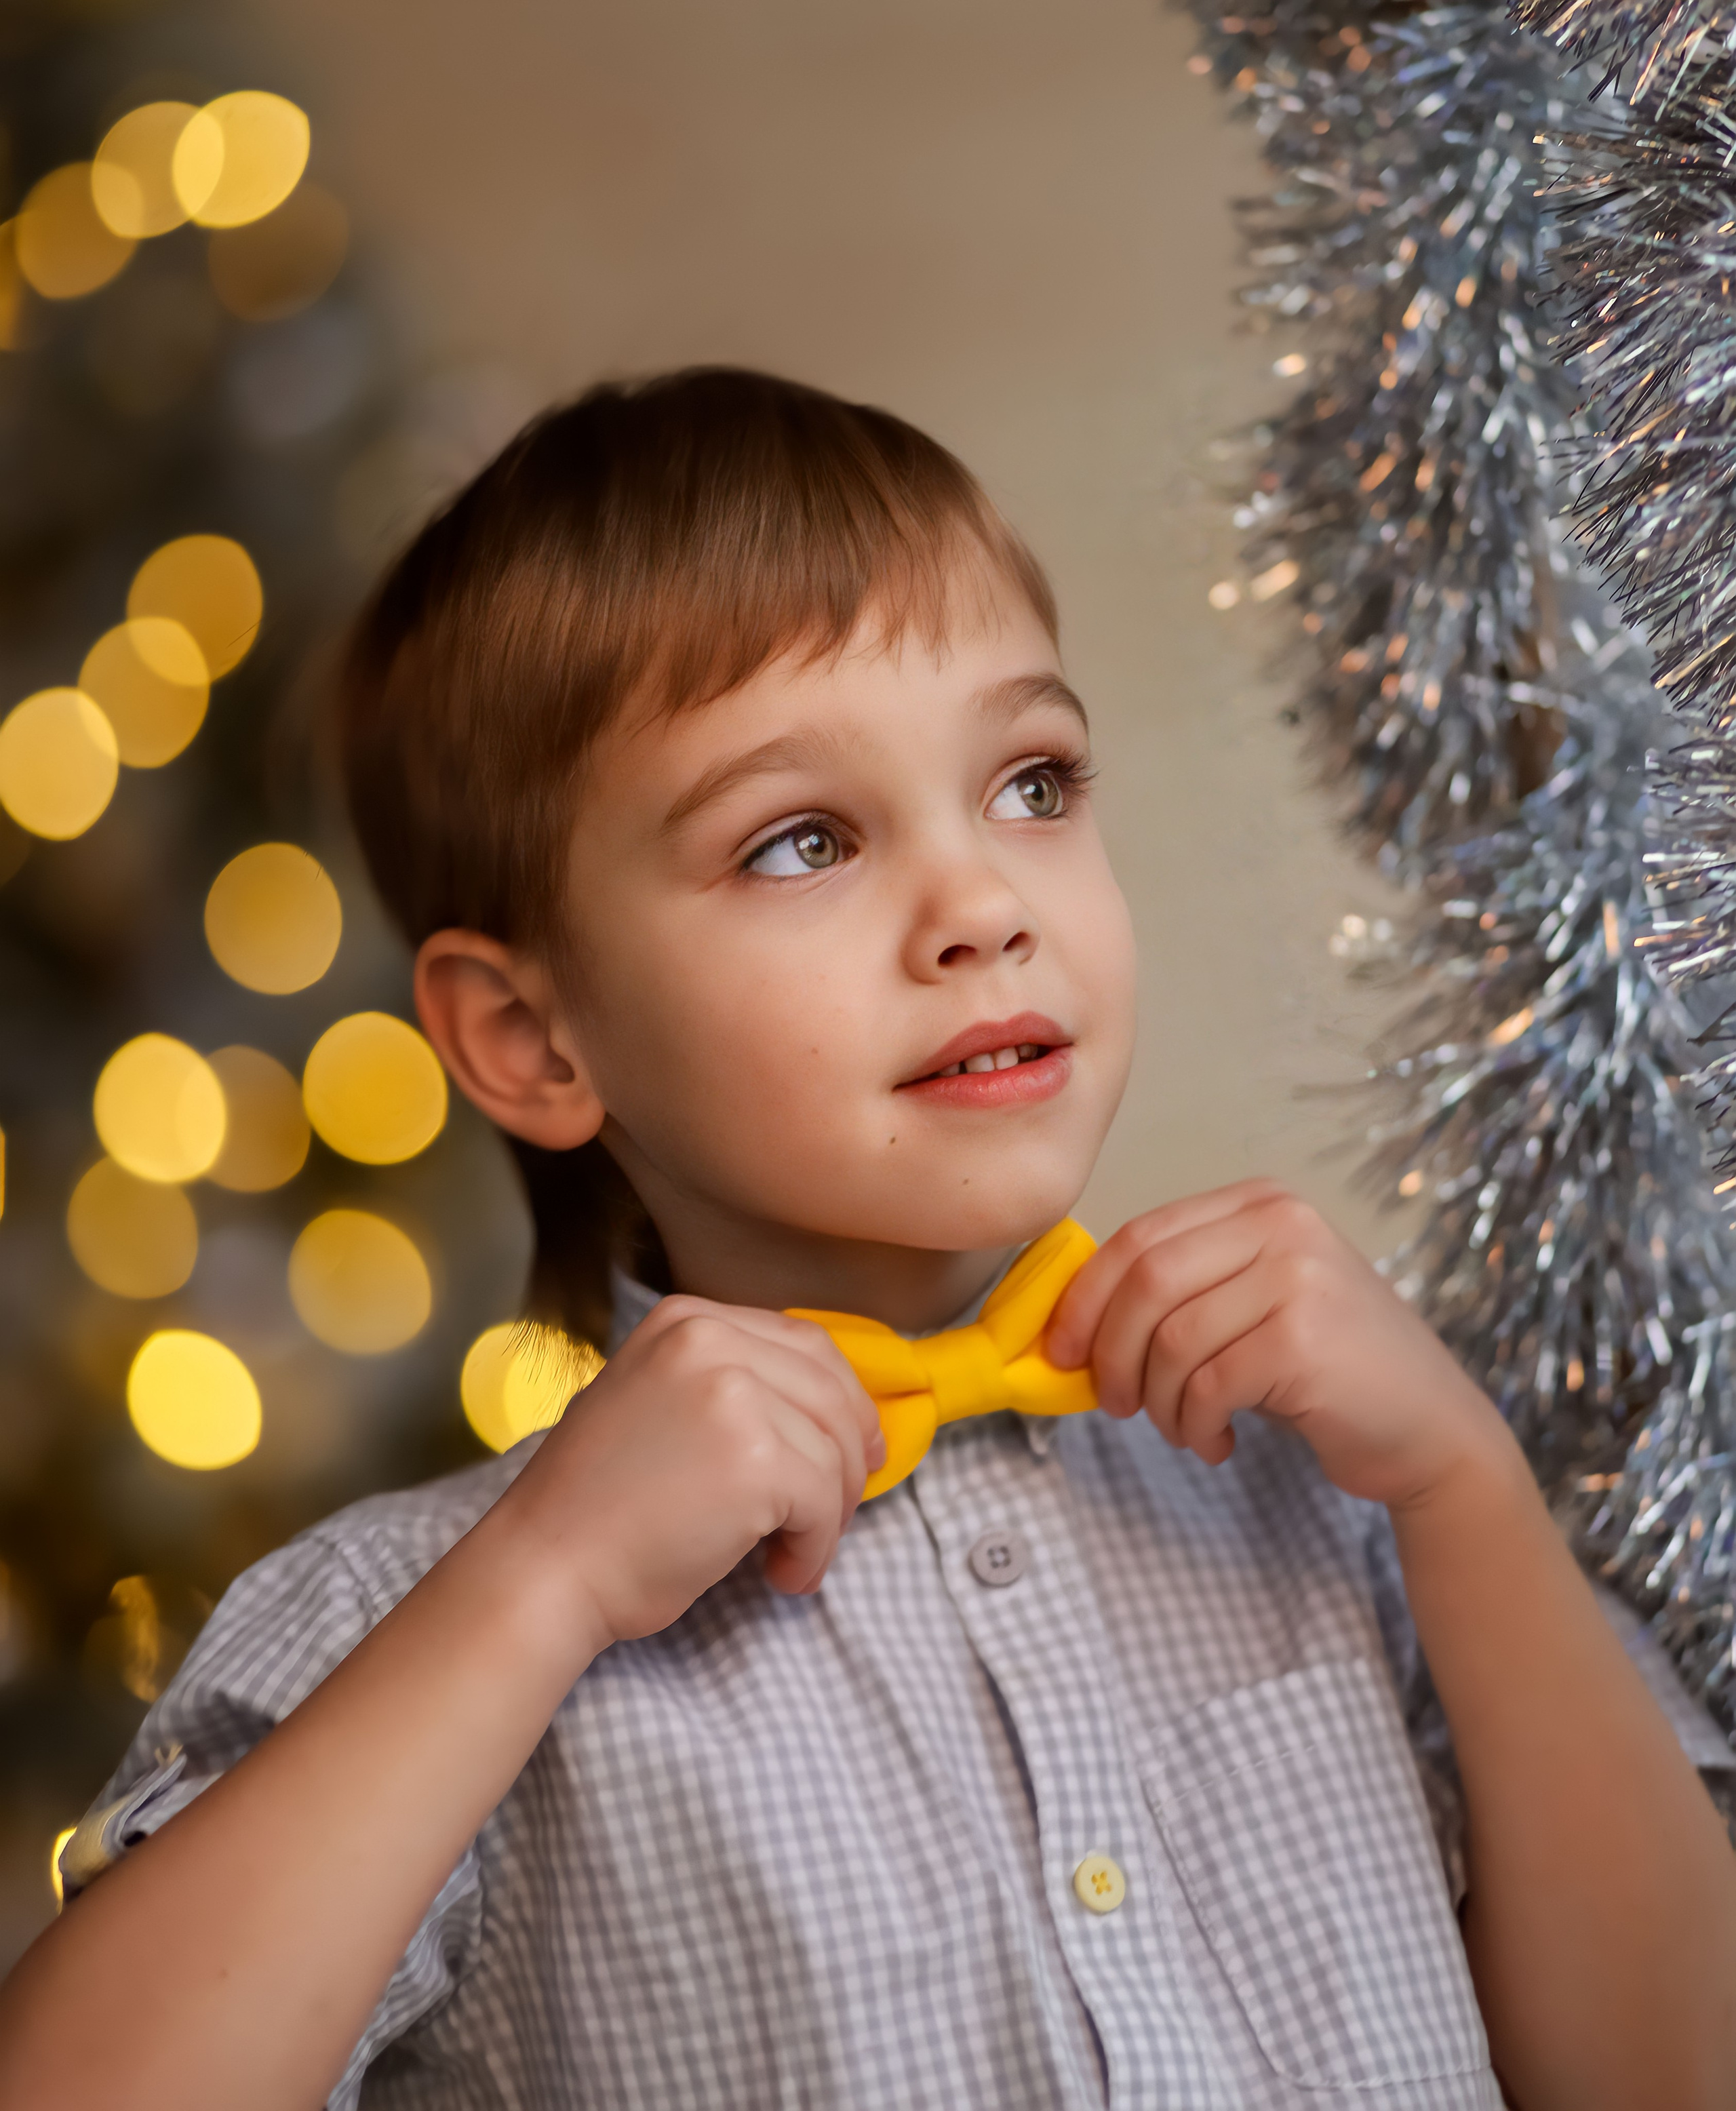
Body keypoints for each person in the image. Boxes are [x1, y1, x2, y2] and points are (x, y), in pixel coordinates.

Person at [1, 369, 1732, 2111]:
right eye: (799, 842)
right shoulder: (409, 1617)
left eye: (1032, 783)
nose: (982, 904)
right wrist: (540, 1591)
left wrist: (1462, 1490)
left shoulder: (1345, 1498)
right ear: (532, 1040)